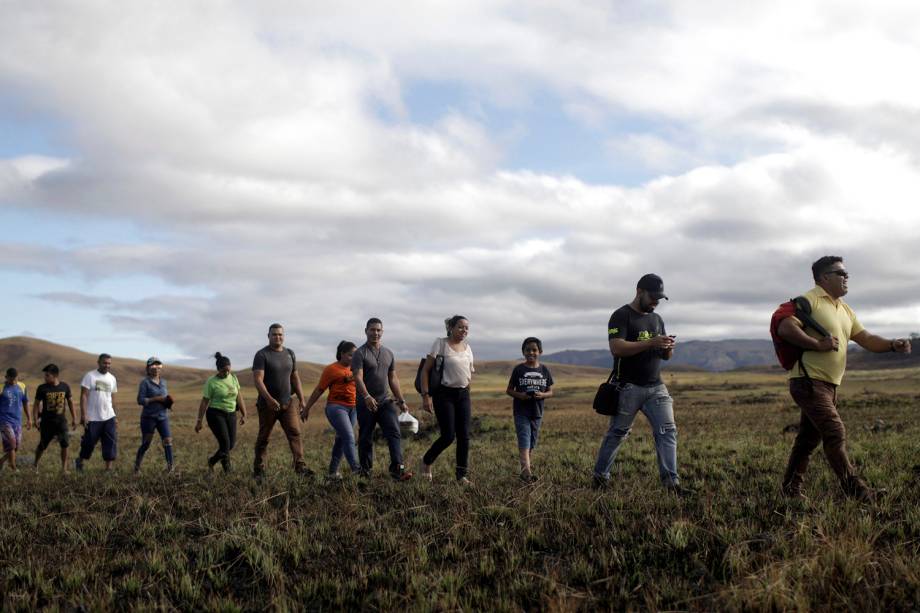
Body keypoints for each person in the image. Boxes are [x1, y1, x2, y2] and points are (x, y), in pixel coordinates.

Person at [777, 256, 911, 501]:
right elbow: (786, 327)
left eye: (847, 273)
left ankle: (790, 490)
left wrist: (892, 344)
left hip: (828, 385)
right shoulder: (809, 300)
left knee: (808, 439)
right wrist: (817, 344)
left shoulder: (845, 309)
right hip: (808, 381)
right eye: (841, 273)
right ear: (825, 277)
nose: (847, 277)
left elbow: (867, 339)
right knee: (835, 432)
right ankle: (857, 491)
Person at [593, 274, 680, 492]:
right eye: (653, 297)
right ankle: (600, 478)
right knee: (618, 433)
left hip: (656, 387)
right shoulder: (621, 316)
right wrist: (651, 341)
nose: (656, 302)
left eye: (659, 299)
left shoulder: (657, 319)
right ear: (639, 291)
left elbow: (664, 357)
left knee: (667, 431)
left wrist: (667, 348)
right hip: (628, 387)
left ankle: (671, 484)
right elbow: (617, 348)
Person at [352, 318, 413, 480]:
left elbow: (393, 378)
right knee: (366, 437)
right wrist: (366, 396)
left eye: (378, 330)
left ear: (382, 332)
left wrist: (401, 400)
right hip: (366, 402)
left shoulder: (388, 353)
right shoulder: (360, 353)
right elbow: (357, 378)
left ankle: (397, 470)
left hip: (386, 401)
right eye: (372, 330)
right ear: (366, 331)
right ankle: (365, 473)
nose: (375, 333)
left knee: (394, 432)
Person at [420, 315, 475, 484]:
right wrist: (426, 396)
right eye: (460, 327)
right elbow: (426, 371)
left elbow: (469, 373)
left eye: (466, 328)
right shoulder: (440, 343)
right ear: (451, 327)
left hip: (463, 394)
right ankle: (426, 461)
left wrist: (465, 390)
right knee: (448, 436)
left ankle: (461, 476)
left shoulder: (468, 348)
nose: (464, 330)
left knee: (464, 436)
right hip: (444, 395)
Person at [252, 323, 309, 478]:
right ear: (268, 336)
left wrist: (302, 399)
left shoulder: (290, 353)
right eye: (274, 334)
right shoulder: (262, 355)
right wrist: (269, 399)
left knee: (295, 433)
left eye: (280, 334)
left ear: (284, 336)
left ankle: (300, 467)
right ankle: (259, 470)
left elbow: (295, 377)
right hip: (267, 405)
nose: (278, 337)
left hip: (288, 402)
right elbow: (258, 379)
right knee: (264, 437)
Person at [302, 341, 360, 480]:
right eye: (351, 355)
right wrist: (307, 408)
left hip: (353, 408)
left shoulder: (357, 368)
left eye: (355, 355)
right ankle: (357, 470)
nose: (354, 358)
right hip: (336, 407)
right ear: (342, 354)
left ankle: (332, 473)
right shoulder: (331, 369)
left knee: (341, 439)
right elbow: (319, 390)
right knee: (349, 436)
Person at [506, 337, 554, 482]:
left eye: (534, 350)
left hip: (537, 412)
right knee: (524, 440)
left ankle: (525, 468)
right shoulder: (519, 369)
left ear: (540, 352)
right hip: (521, 411)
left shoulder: (544, 370)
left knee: (532, 442)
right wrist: (520, 395)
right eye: (528, 350)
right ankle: (526, 472)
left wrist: (542, 394)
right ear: (523, 352)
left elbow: (551, 391)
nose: (531, 352)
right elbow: (509, 390)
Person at [195, 352, 247, 472]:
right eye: (224, 371)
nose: (227, 373)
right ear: (218, 370)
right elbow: (204, 402)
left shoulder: (233, 378)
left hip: (231, 414)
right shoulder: (211, 382)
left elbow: (239, 396)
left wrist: (244, 414)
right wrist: (199, 421)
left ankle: (212, 461)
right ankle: (227, 469)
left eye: (228, 370)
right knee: (225, 444)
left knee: (231, 444)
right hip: (215, 414)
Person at [76, 354, 118, 472]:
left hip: (109, 416)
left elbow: (113, 398)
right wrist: (84, 414)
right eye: (105, 363)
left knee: (110, 441)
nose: (107, 365)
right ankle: (80, 460)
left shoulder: (112, 378)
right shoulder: (90, 376)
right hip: (93, 417)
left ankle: (108, 469)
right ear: (98, 362)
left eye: (109, 363)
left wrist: (115, 416)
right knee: (89, 443)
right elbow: (83, 395)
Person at [33, 363, 77, 472]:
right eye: (45, 375)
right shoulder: (42, 388)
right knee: (42, 445)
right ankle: (35, 464)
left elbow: (71, 403)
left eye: (47, 375)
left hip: (61, 422)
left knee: (65, 444)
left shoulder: (64, 386)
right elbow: (36, 404)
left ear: (55, 375)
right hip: (46, 422)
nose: (45, 377)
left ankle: (64, 468)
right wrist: (35, 419)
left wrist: (74, 418)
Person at [134, 357, 174, 473]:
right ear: (148, 368)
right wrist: (156, 399)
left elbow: (164, 398)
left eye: (159, 366)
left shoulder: (163, 382)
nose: (156, 369)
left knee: (168, 440)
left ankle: (170, 468)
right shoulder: (145, 383)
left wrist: (168, 404)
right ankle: (137, 467)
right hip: (149, 417)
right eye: (153, 366)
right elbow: (140, 400)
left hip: (163, 417)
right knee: (146, 443)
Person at [0, 367, 31, 471]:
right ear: (6, 377)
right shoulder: (1, 387)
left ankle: (2, 461)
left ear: (18, 377)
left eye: (15, 379)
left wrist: (29, 419)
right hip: (4, 421)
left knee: (16, 447)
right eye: (11, 379)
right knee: (12, 444)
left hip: (17, 421)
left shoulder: (22, 386)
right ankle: (13, 468)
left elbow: (26, 403)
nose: (13, 381)